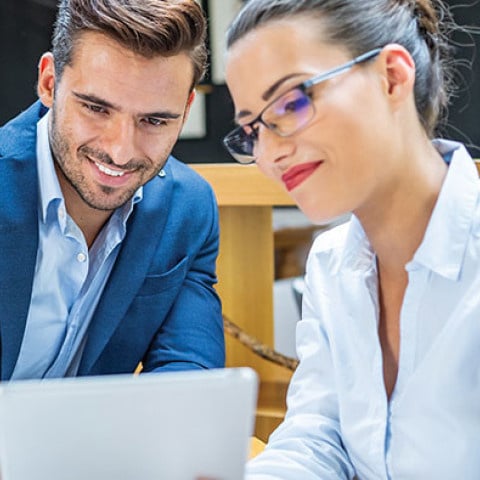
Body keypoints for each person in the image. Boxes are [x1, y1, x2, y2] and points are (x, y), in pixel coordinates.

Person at [223, 0, 480, 478]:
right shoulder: (329, 265)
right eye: (252, 130)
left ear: (391, 78)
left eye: (291, 102)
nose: (269, 153)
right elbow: (320, 437)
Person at [0, 0, 225, 381]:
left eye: (154, 120)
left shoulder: (189, 209)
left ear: (185, 110)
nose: (121, 151)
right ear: (49, 83)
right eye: (96, 108)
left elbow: (188, 379)